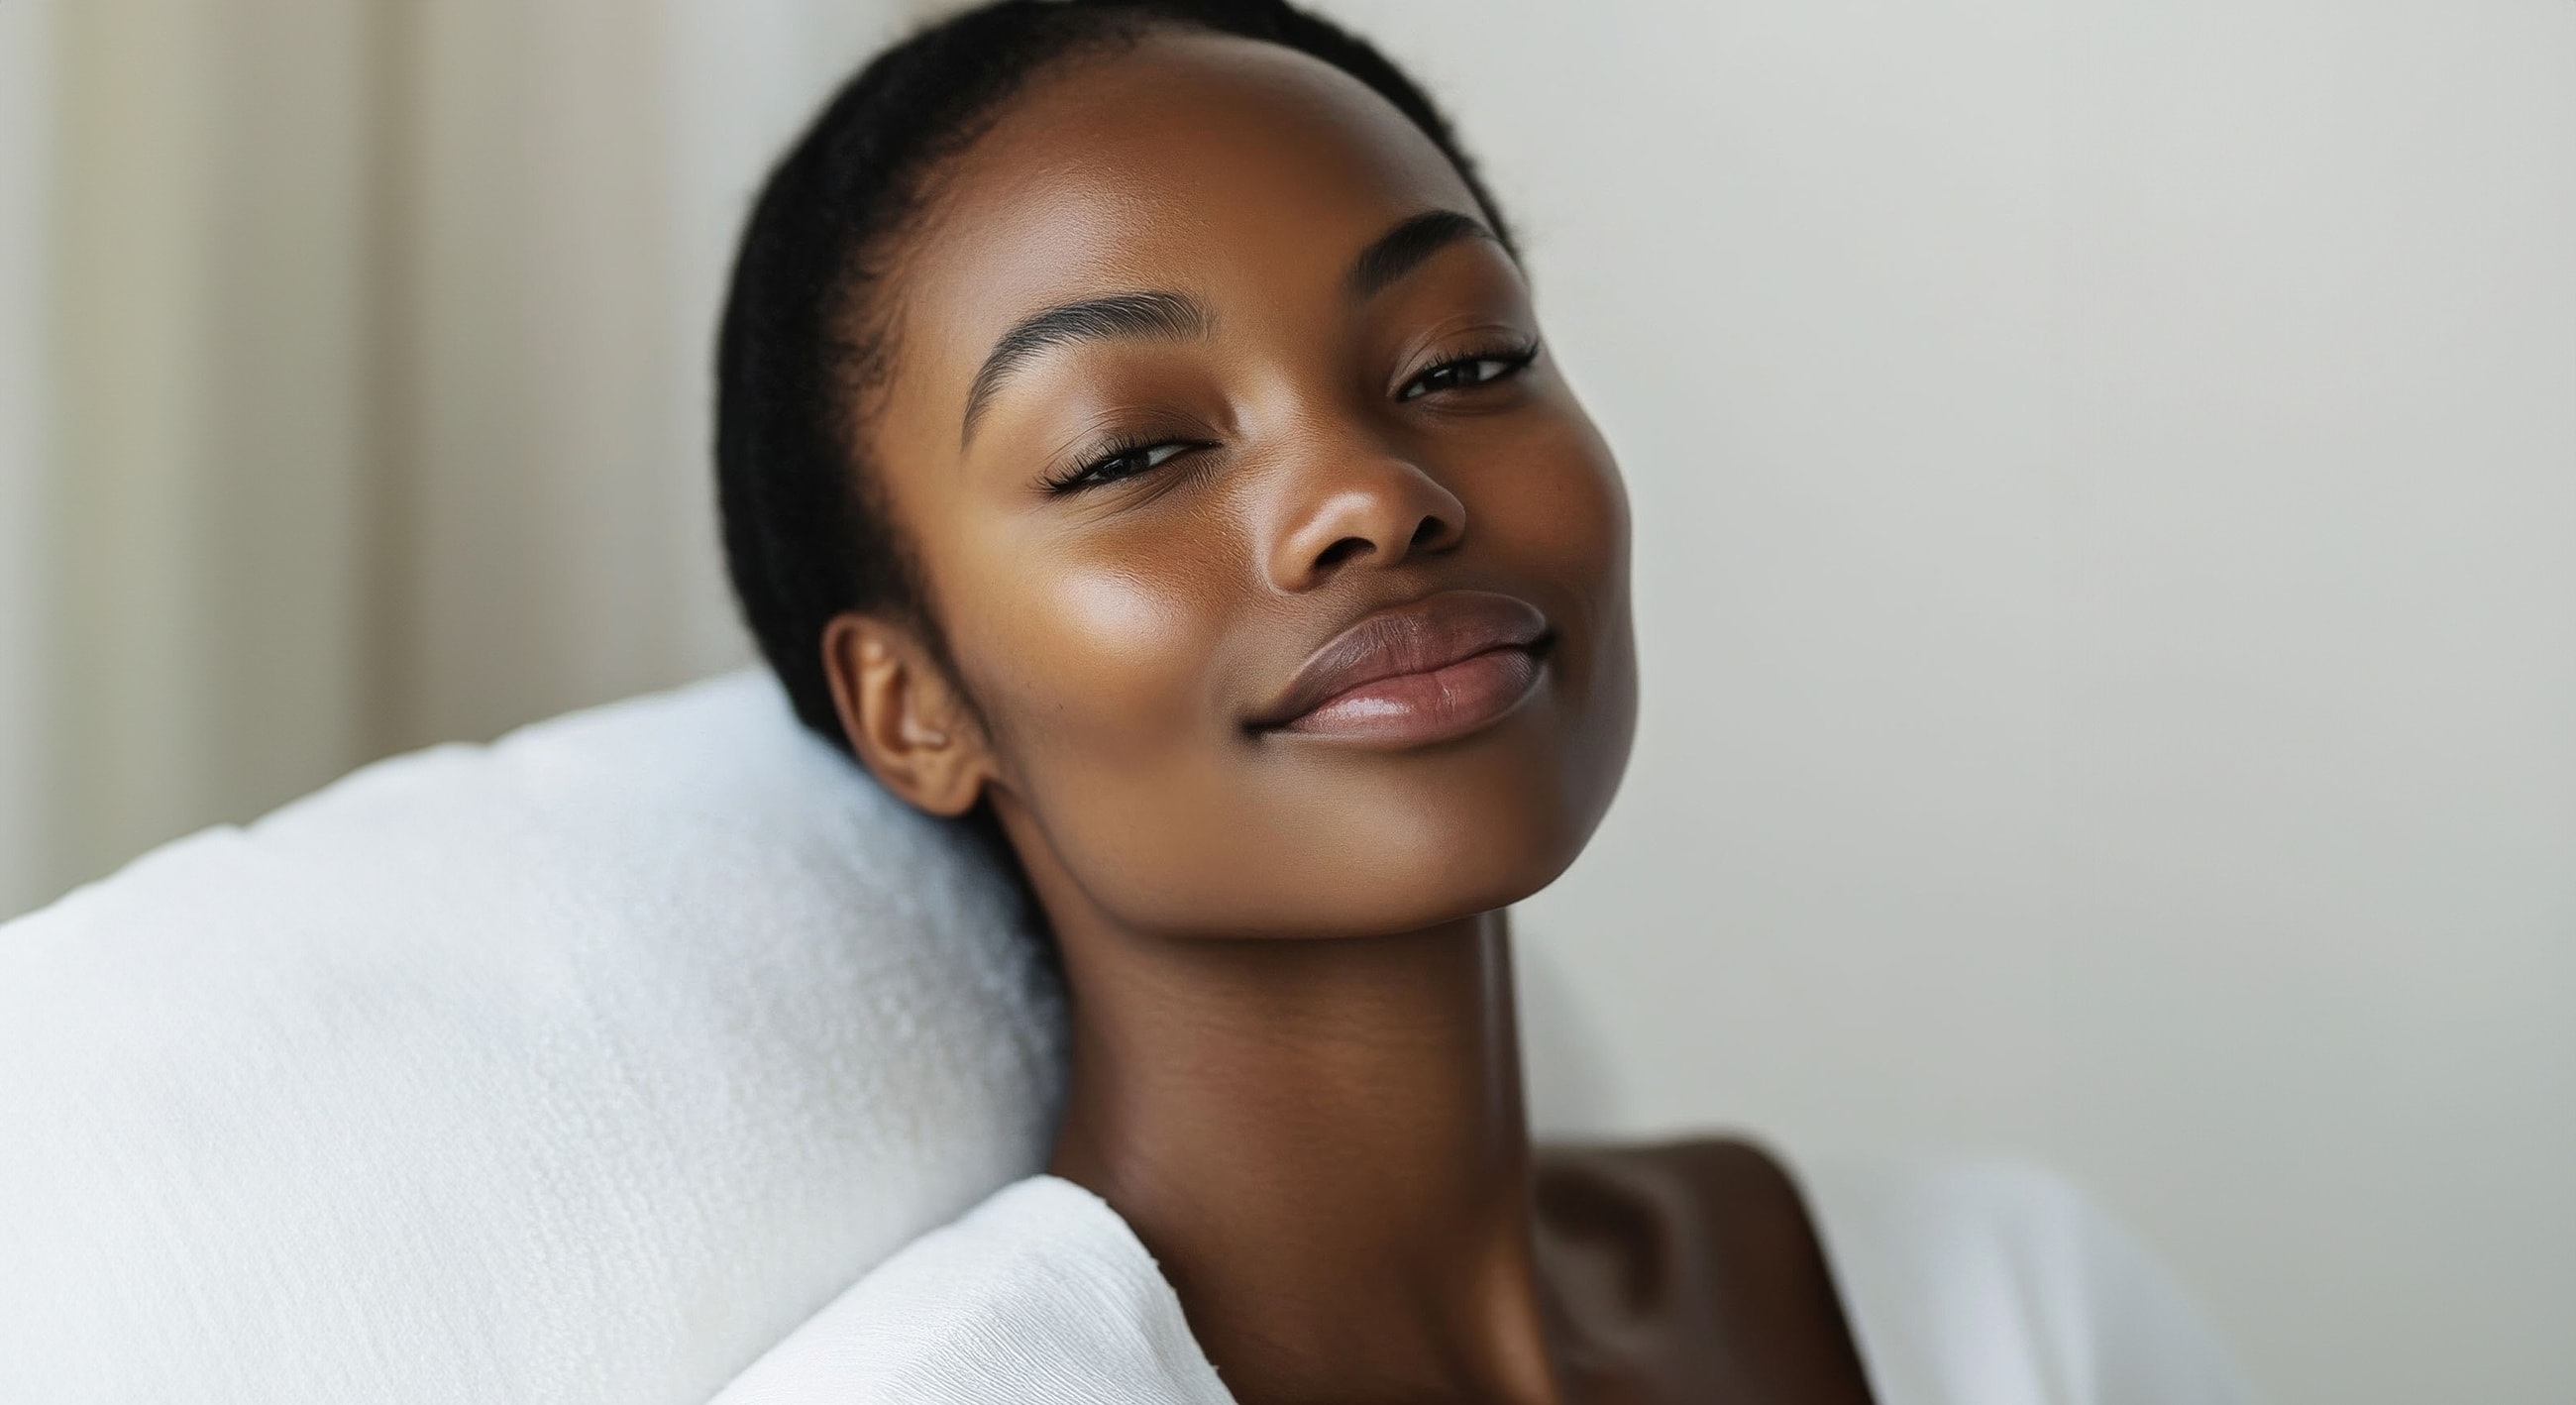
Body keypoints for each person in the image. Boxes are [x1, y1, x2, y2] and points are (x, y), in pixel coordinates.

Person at [712, 2, 2251, 1400]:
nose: (1374, 493)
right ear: (915, 708)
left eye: (1463, 358)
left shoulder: (2011, 1306)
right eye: (1135, 453)